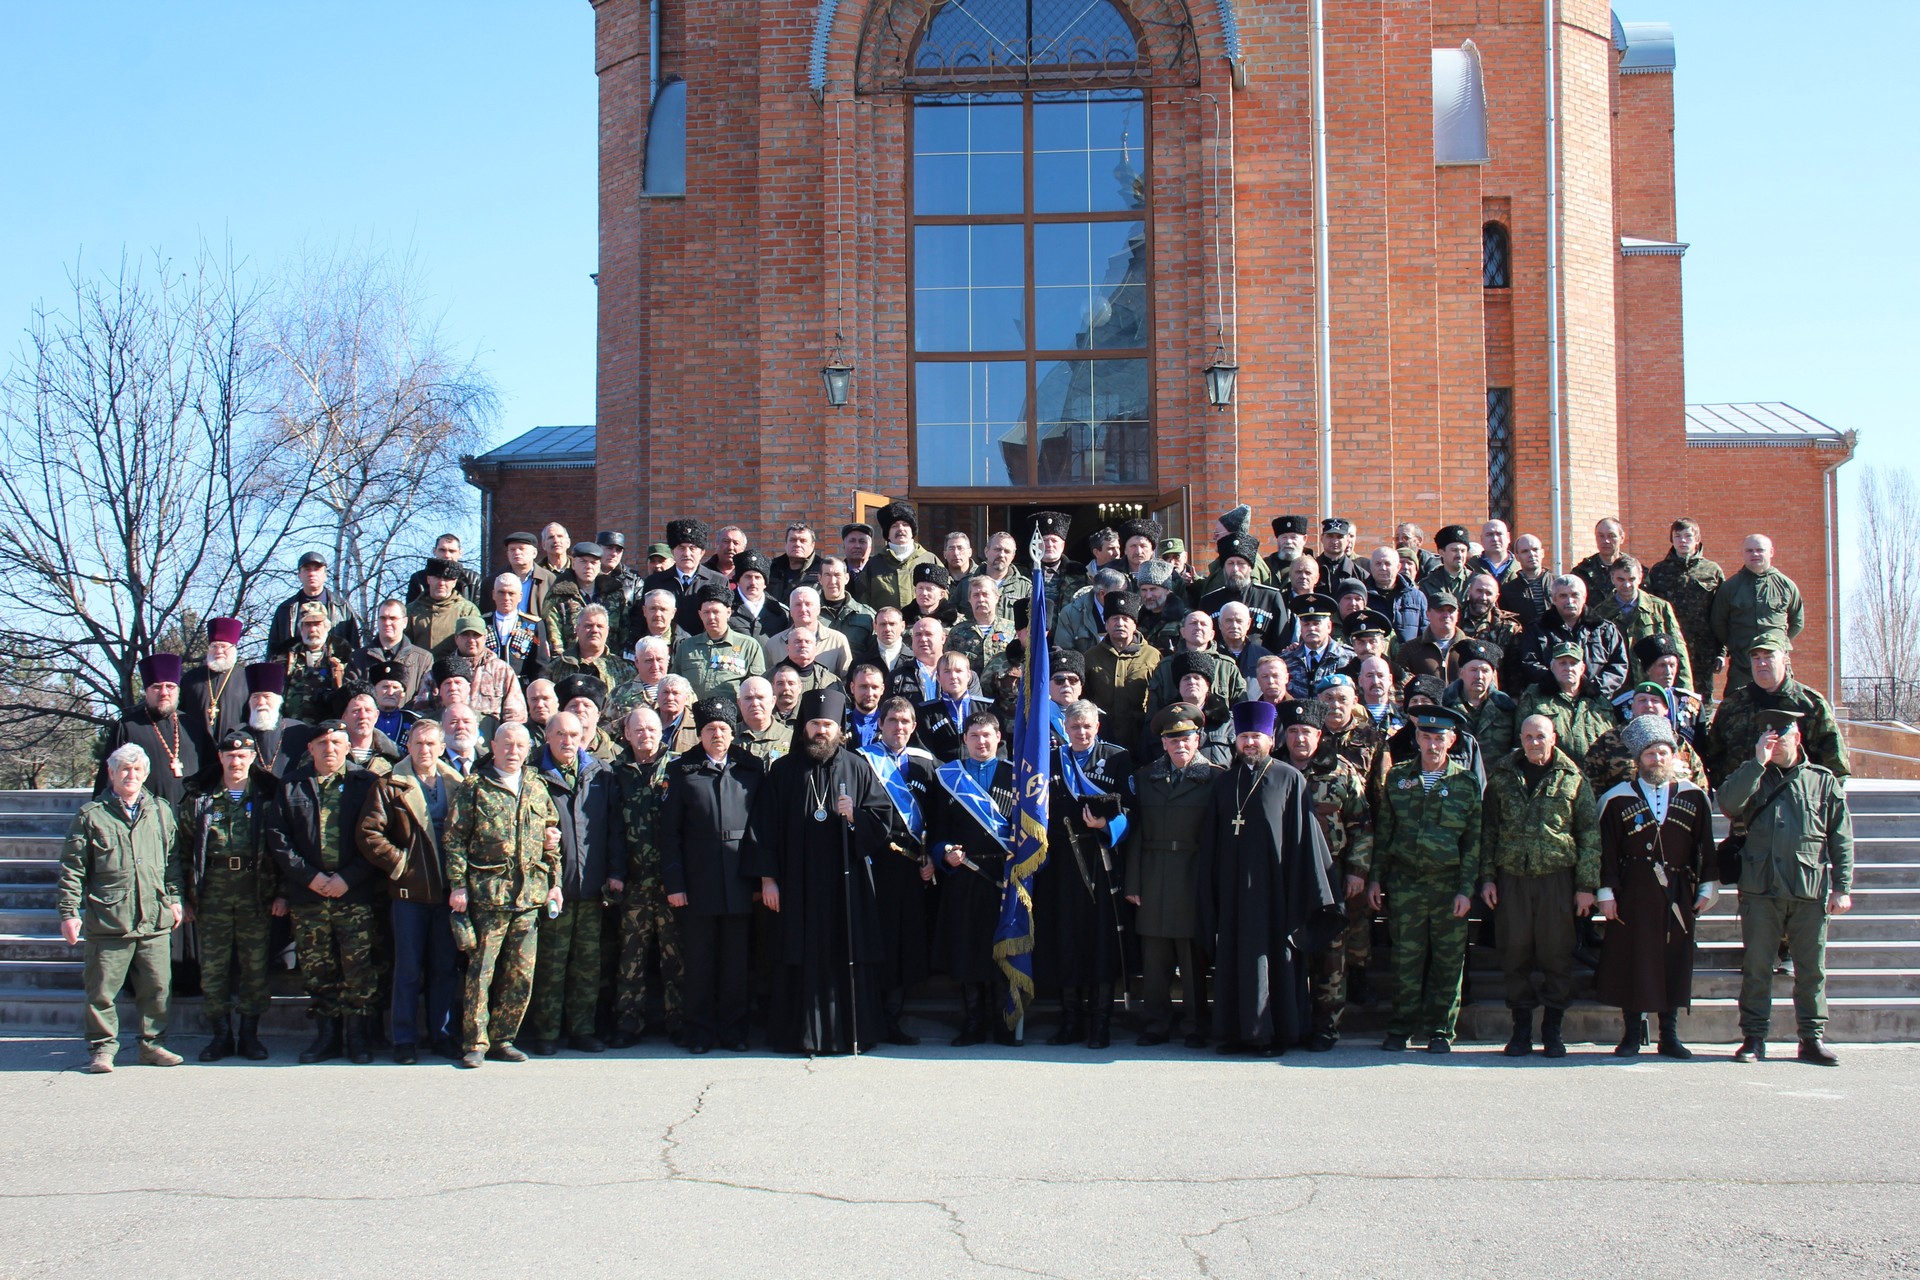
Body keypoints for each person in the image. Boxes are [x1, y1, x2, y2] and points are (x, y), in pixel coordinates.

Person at [746, 687, 900, 1055]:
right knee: (797, 954)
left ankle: (848, 1033)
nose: (821, 731)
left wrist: (855, 817)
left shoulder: (857, 766)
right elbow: (762, 827)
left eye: (828, 724)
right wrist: (768, 879)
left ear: (839, 728)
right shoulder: (783, 770)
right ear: (804, 727)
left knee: (845, 949)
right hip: (795, 883)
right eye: (815, 723)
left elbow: (883, 821)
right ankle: (797, 1035)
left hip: (845, 885)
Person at [1196, 700, 1338, 1055]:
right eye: (1243, 736)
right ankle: (1234, 1033)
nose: (1249, 743)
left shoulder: (1290, 779)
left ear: (1270, 739)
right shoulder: (1225, 783)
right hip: (1231, 892)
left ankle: (1271, 1034)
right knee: (1232, 959)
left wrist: (1305, 893)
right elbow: (1211, 842)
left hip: (1275, 893)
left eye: (1256, 736)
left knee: (1272, 961)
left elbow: (1304, 842)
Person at [1718, 709, 1854, 1066]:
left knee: (1811, 970)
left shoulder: (1823, 781)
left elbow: (1841, 838)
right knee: (1757, 967)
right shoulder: (1753, 775)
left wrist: (1842, 887)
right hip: (1760, 889)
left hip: (1807, 888)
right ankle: (1754, 1037)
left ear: (1798, 738)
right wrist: (1756, 764)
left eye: (1781, 739)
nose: (1774, 745)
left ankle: (1811, 1038)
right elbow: (1728, 804)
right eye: (1768, 739)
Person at [266, 720, 389, 1065]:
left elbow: (379, 836)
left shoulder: (367, 784)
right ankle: (326, 1037)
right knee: (318, 969)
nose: (329, 748)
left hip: (355, 893)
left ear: (348, 747)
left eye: (337, 742)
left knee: (359, 968)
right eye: (322, 743)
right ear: (310, 749)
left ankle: (357, 1037)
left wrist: (348, 878)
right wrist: (310, 878)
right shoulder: (292, 786)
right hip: (310, 895)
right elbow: (279, 839)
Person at [1477, 715, 1599, 1058]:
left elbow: (1588, 835)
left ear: (1554, 738)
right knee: (1514, 952)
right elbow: (1488, 831)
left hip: (1556, 879)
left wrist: (1586, 885)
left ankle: (1553, 1029)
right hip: (1512, 876)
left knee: (1556, 954)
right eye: (1528, 736)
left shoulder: (1573, 778)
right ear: (1520, 738)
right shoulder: (1502, 777)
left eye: (1540, 736)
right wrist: (1487, 876)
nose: (1534, 743)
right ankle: (1520, 1031)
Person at [1595, 714, 1716, 1059]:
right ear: (1637, 760)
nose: (1657, 759)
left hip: (1677, 892)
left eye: (1663, 753)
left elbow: (1705, 846)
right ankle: (1632, 1034)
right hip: (1632, 892)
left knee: (1673, 959)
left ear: (1674, 756)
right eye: (1650, 754)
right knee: (1633, 959)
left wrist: (1707, 886)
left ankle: (1670, 1035)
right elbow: (1607, 851)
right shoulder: (1616, 799)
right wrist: (1606, 891)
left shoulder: (1694, 797)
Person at [58, 744, 184, 1074]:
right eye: (124, 769)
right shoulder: (91, 816)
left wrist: (175, 899)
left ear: (146, 774)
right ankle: (102, 1049)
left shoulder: (160, 811)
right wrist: (69, 912)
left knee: (157, 988)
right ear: (111, 774)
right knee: (101, 990)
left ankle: (152, 1045)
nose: (131, 775)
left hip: (154, 916)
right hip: (110, 918)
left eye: (137, 770)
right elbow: (73, 868)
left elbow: (173, 861)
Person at [445, 722, 564, 1068]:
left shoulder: (537, 786)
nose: (513, 751)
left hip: (529, 896)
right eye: (507, 744)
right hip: (488, 895)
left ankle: (503, 1037)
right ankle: (475, 1041)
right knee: (481, 971)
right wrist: (457, 884)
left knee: (520, 973)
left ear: (529, 749)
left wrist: (553, 880)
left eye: (520, 745)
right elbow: (454, 839)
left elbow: (550, 838)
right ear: (493, 747)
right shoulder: (475, 787)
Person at [1368, 705, 1481, 1054]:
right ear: (1416, 737)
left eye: (1440, 738)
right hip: (1406, 883)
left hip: (1448, 884)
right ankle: (1401, 1028)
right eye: (1427, 737)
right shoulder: (1398, 778)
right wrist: (1375, 879)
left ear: (1452, 739)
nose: (1433, 745)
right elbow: (1385, 832)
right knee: (1406, 959)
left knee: (1448, 962)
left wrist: (1466, 889)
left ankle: (1439, 1030)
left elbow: (1473, 841)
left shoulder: (1465, 782)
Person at [356, 718, 465, 1063]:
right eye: (418, 743)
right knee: (407, 968)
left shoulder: (456, 782)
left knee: (444, 967)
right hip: (409, 893)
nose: (425, 750)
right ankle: (403, 1038)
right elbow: (369, 833)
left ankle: (442, 1034)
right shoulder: (390, 784)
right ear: (409, 746)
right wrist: (401, 864)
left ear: (441, 747)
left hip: (447, 890)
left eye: (432, 744)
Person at [660, 698, 764, 1054]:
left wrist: (759, 878)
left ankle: (734, 1031)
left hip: (739, 879)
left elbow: (760, 829)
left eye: (723, 729)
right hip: (698, 879)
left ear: (732, 733)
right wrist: (675, 883)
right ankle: (699, 1031)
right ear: (700, 733)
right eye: (710, 730)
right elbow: (670, 833)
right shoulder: (682, 769)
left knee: (736, 963)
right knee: (700, 963)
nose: (717, 735)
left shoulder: (751, 769)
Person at [1120, 703, 1222, 1047]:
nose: (1180, 744)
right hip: (1154, 872)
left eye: (1187, 738)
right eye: (1173, 739)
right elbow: (1136, 833)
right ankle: (1155, 1023)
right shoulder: (1146, 778)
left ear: (1198, 740)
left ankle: (1195, 1024)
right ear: (1163, 743)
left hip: (1194, 873)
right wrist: (1133, 881)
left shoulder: (1216, 779)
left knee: (1192, 957)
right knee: (1155, 955)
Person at [1033, 700, 1133, 1049]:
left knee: (1101, 943)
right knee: (1066, 941)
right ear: (1066, 728)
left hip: (1101, 860)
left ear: (1097, 727)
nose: (1081, 732)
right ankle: (1070, 1020)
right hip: (1062, 864)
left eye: (1087, 727)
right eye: (1075, 727)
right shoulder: (1052, 759)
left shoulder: (1118, 758)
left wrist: (1107, 824)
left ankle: (1100, 1022)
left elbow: (1133, 810)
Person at [523, 710, 625, 1055]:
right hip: (554, 887)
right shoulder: (534, 775)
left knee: (587, 963)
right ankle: (547, 1032)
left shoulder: (600, 773)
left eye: (574, 734)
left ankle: (583, 1029)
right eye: (560, 735)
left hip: (592, 886)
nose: (568, 742)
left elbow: (613, 827)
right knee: (551, 963)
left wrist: (614, 871)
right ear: (548, 737)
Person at [1279, 700, 1373, 1051]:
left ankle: (1325, 1027)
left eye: (1306, 732)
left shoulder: (1343, 773)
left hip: (1330, 874)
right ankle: (1291, 1022)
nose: (1300, 739)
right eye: (1293, 732)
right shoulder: (1271, 770)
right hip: (1284, 876)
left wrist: (1358, 872)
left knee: (1331, 952)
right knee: (1287, 950)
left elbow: (1362, 827)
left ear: (1319, 735)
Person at [181, 729, 278, 1063]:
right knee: (214, 968)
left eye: (243, 755)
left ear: (253, 758)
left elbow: (281, 849)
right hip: (213, 892)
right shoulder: (201, 799)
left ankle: (249, 1035)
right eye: (230, 755)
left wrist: (280, 893)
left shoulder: (267, 797)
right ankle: (220, 1035)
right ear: (220, 758)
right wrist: (184, 896)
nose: (236, 761)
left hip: (256, 890)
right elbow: (181, 850)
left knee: (255, 966)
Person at [928, 710, 1022, 1046]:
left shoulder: (1016, 776)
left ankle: (1003, 1021)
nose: (981, 742)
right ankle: (972, 1022)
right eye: (974, 736)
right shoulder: (947, 777)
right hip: (965, 874)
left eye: (987, 736)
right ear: (964, 740)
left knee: (1002, 950)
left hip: (1003, 875)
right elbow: (936, 830)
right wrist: (943, 851)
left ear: (999, 738)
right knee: (968, 949)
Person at [857, 695, 937, 1043]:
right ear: (880, 724)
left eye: (906, 722)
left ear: (914, 726)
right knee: (879, 939)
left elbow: (937, 814)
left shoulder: (926, 763)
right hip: (876, 863)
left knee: (906, 942)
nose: (899, 728)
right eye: (893, 721)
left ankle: (894, 1015)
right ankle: (871, 1016)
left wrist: (931, 855)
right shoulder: (861, 761)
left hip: (913, 866)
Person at [609, 706, 682, 1046]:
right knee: (631, 956)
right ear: (626, 734)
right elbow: (609, 828)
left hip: (671, 880)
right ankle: (628, 1022)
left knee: (675, 954)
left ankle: (678, 1020)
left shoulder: (679, 767)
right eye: (638, 730)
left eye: (652, 729)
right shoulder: (614, 772)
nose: (646, 735)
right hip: (635, 880)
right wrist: (616, 872)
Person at [1703, 633, 1849, 789]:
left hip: (1795, 802)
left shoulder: (1810, 704)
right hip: (1746, 805)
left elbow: (1835, 764)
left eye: (1768, 656)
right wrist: (1729, 793)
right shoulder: (1732, 705)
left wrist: (1815, 800)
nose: (1762, 663)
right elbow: (1714, 756)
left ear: (1784, 660)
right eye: (1756, 658)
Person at [97, 653, 203, 807]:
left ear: (178, 690)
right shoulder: (127, 727)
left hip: (190, 823)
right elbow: (108, 780)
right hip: (144, 822)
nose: (164, 692)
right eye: (157, 687)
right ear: (146, 691)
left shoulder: (193, 727)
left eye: (170, 686)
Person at [1645, 518, 1725, 711]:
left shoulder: (1712, 571)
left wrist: (1721, 652)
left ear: (1697, 539)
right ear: (1671, 539)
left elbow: (1721, 614)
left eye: (1688, 536)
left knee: (1701, 704)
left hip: (1702, 651)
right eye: (1677, 536)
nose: (1683, 541)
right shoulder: (1659, 571)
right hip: (1669, 649)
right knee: (1668, 699)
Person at [1711, 535, 1806, 691]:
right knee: (1738, 710)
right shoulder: (1730, 587)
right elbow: (1718, 622)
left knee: (1780, 709)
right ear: (1743, 553)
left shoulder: (1786, 585)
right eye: (1749, 551)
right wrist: (1735, 645)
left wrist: (1780, 644)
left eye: (1760, 550)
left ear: (1771, 552)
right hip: (1742, 665)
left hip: (1777, 665)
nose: (1754, 554)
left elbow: (1797, 621)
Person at [1594, 555, 1692, 690]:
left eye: (1632, 579)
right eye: (1620, 579)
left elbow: (1678, 651)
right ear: (1612, 578)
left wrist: (1685, 692)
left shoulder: (1660, 608)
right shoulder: (1600, 613)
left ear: (1640, 577)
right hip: (1617, 691)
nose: (1627, 585)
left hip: (1653, 689)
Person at [1516, 642, 1616, 763]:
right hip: (1552, 775)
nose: (1568, 668)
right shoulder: (1534, 696)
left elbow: (1613, 743)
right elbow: (1520, 741)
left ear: (1582, 668)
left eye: (1573, 663)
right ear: (1552, 667)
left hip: (1595, 777)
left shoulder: (1599, 702)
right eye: (1562, 663)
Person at [673, 584, 767, 700]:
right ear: (700, 614)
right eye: (706, 612)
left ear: (728, 613)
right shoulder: (687, 647)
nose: (711, 617)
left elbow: (757, 687)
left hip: (733, 715)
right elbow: (675, 683)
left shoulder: (748, 646)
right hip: (694, 715)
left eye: (716, 612)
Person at [267, 549, 361, 657]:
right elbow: (273, 651)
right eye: (307, 569)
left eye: (317, 569)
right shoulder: (285, 610)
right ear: (299, 575)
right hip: (292, 670)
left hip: (335, 671)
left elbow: (355, 651)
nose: (312, 573)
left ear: (325, 574)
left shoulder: (342, 608)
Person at [644, 518, 731, 634]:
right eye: (681, 548)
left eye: (692, 548)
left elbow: (724, 619)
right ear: (672, 551)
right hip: (666, 647)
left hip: (703, 646)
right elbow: (643, 618)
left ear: (702, 552)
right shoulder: (655, 582)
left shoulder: (718, 580)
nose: (686, 553)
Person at [859, 499, 942, 612]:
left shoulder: (930, 559)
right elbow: (862, 604)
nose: (901, 529)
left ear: (912, 531)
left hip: (922, 628)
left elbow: (945, 597)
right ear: (887, 533)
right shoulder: (874, 565)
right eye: (894, 526)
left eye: (905, 524)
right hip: (886, 627)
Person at [1443, 638, 1518, 758]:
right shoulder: (1445, 703)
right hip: (1456, 775)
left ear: (1493, 675)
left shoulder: (1506, 707)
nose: (1479, 676)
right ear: (1461, 672)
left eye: (1485, 671)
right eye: (1473, 670)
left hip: (1496, 775)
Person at [181, 616, 250, 740]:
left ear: (234, 648)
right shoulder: (191, 679)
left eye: (224, 646)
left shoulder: (248, 678)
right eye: (214, 646)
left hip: (234, 750)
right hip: (196, 747)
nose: (219, 651)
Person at [1277, 593, 1352, 699]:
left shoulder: (1348, 658)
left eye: (1316, 623)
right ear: (1301, 628)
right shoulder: (1285, 660)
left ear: (1329, 627)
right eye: (1306, 624)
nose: (1311, 628)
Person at [408, 556, 486, 656]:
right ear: (428, 579)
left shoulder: (467, 610)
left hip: (455, 669)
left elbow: (476, 649)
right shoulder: (411, 611)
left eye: (447, 579)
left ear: (454, 582)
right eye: (437, 577)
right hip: (418, 669)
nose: (441, 583)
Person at [485, 572, 548, 680]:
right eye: (501, 592)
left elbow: (541, 665)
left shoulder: (533, 625)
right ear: (493, 594)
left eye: (511, 593)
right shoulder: (482, 624)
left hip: (522, 689)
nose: (506, 598)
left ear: (520, 596)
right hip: (489, 687)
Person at [1366, 545, 1428, 643]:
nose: (1383, 568)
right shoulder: (1363, 596)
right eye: (1378, 564)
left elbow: (1426, 631)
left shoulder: (1416, 597)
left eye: (1387, 564)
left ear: (1398, 567)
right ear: (1371, 566)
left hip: (1409, 656)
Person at [405, 532, 484, 603]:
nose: (447, 555)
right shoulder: (418, 579)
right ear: (434, 551)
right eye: (442, 550)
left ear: (460, 553)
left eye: (452, 551)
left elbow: (478, 613)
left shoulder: (473, 579)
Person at [1498, 534, 1552, 630]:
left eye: (1535, 549)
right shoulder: (1507, 591)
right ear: (1517, 557)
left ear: (1542, 553)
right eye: (1525, 551)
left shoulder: (1558, 585)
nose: (1531, 554)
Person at [735, 675, 793, 763]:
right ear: (739, 703)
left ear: (773, 701)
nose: (754, 703)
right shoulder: (729, 737)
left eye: (760, 697)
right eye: (748, 698)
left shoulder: (790, 738)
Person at [1571, 517, 1628, 601]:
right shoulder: (1582, 571)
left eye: (1611, 536)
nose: (1606, 541)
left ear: (1622, 538)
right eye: (1601, 536)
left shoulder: (1634, 570)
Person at [1415, 524, 1475, 605]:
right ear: (1441, 552)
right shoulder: (1428, 584)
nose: (1459, 555)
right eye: (1454, 550)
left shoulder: (1476, 581)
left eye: (1463, 551)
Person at [768, 521, 822, 600]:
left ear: (812, 545)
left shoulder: (822, 569)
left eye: (803, 541)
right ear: (786, 544)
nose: (797, 544)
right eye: (793, 540)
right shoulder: (772, 567)